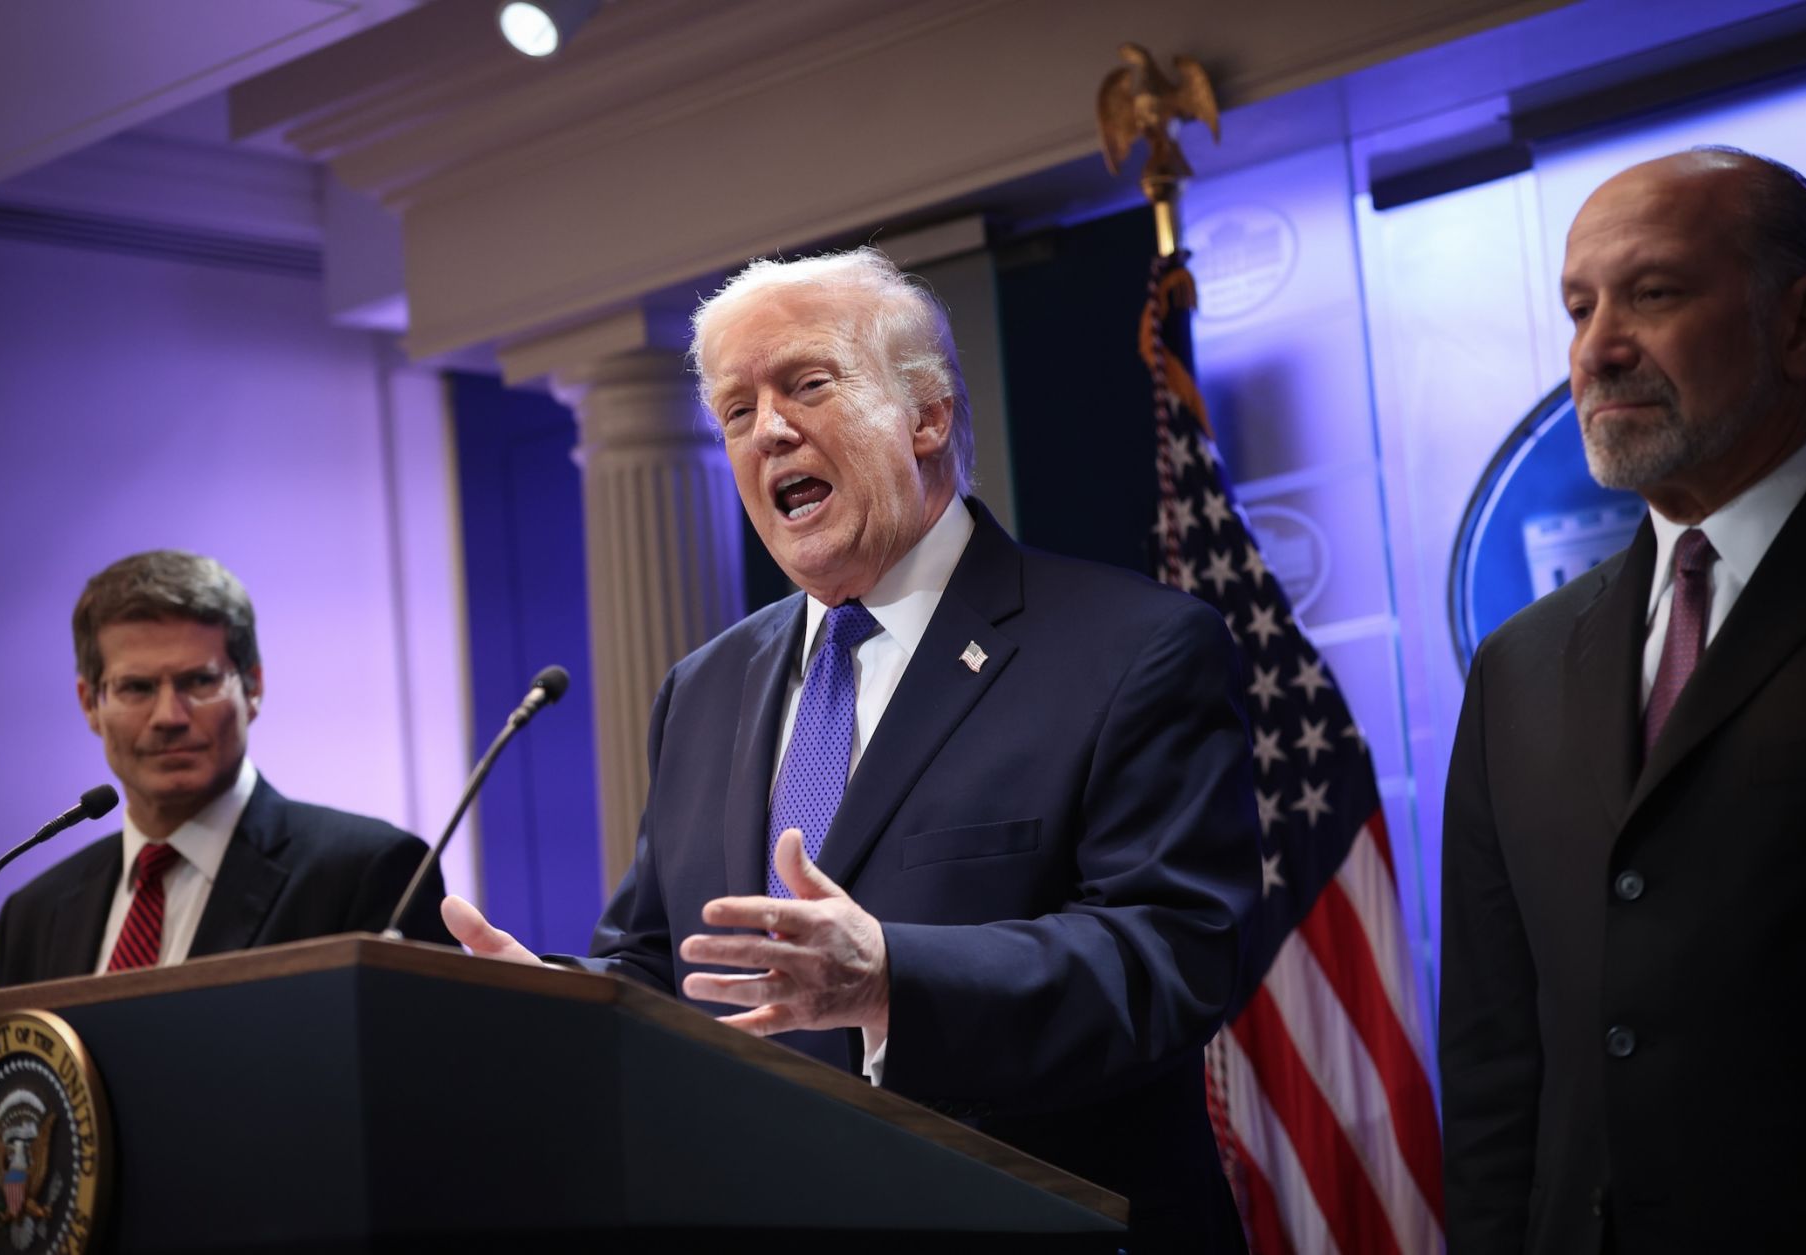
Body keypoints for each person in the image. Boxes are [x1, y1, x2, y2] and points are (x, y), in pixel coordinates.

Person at [444, 248, 1261, 1247]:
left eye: (807, 384)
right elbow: (669, 963)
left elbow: (1172, 957)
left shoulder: (1133, 650)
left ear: (928, 415)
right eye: (736, 411)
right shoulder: (704, 688)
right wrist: (564, 1007)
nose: (768, 430)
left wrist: (893, 978)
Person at [1440, 147, 1806, 1253]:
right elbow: (1494, 1063)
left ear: (1804, 325)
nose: (1597, 348)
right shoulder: (1517, 667)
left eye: (1654, 294)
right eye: (1580, 308)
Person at [0, 550, 454, 986]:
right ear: (90, 703)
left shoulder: (369, 871)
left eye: (199, 680)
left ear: (253, 687)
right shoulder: (33, 915)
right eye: (137, 687)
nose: (169, 716)